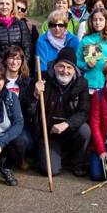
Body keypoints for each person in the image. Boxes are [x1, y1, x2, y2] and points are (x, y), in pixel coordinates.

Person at [30, 47, 91, 176]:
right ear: (55, 66)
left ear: (74, 70)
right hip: (48, 134)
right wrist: (34, 94)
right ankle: (52, 155)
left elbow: (84, 112)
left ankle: (77, 162)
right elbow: (28, 110)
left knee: (85, 131)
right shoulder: (42, 79)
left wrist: (66, 124)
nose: (65, 71)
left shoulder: (82, 83)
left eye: (69, 68)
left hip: (70, 130)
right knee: (51, 170)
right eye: (61, 66)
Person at [76, 7, 107, 91]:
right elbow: (77, 62)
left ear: (106, 21)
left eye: (101, 19)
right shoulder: (86, 40)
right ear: (91, 21)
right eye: (95, 20)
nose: (97, 22)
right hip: (89, 86)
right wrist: (87, 65)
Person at [2, 45, 35, 167]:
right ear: (5, 60)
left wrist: (35, 96)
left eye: (18, 59)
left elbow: (30, 111)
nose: (14, 62)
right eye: (11, 58)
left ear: (22, 62)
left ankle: (19, 159)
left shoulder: (27, 82)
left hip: (19, 124)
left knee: (25, 141)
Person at [15, 0, 39, 73]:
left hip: (25, 66)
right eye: (17, 7)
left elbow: (34, 48)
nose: (19, 11)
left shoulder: (31, 27)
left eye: (22, 9)